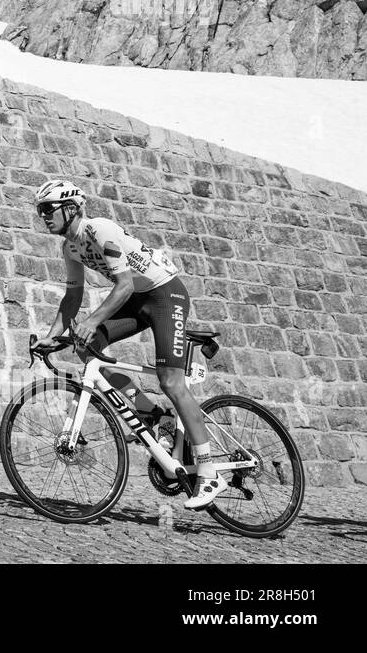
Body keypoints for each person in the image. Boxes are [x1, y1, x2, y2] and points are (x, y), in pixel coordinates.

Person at [29, 179, 227, 509]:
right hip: (136, 299)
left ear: (71, 208)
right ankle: (153, 417)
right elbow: (73, 296)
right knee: (86, 346)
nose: (44, 216)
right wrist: (53, 336)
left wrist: (92, 321)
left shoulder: (100, 230)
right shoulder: (70, 247)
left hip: (165, 295)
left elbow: (122, 286)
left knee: (171, 382)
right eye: (40, 211)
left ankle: (208, 471)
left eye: (48, 209)